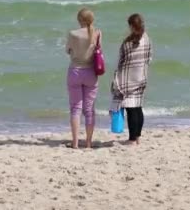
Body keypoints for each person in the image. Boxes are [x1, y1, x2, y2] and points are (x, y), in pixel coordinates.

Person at [110, 13, 152, 145]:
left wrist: (116, 78)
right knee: (138, 107)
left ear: (131, 26)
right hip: (141, 76)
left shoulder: (127, 43)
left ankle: (132, 139)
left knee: (130, 109)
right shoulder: (147, 39)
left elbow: (121, 61)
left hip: (128, 79)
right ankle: (138, 137)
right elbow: (149, 57)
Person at [65, 8, 102, 149]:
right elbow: (99, 52)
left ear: (79, 20)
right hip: (91, 73)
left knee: (75, 108)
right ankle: (88, 143)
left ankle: (75, 143)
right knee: (89, 110)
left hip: (75, 71)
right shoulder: (97, 33)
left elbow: (67, 50)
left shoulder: (73, 34)